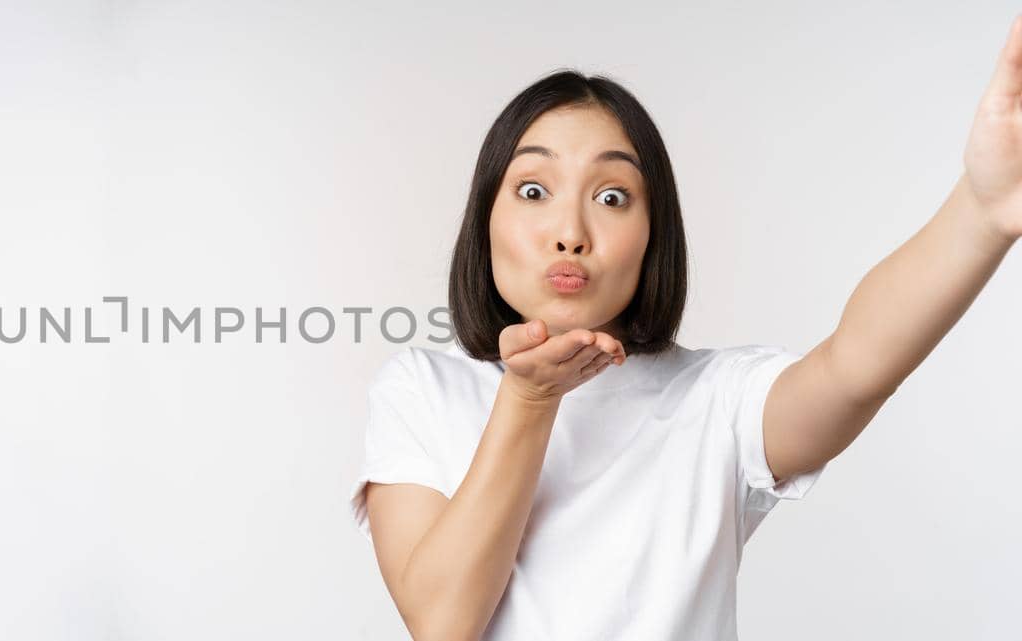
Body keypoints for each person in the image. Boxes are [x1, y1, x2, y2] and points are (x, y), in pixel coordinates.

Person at [348, 15, 1022, 641]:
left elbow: (855, 366)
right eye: (533, 190)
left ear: (653, 234)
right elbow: (443, 621)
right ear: (484, 218)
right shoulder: (421, 390)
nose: (570, 233)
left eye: (613, 197)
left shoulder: (717, 402)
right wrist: (530, 398)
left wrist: (983, 208)